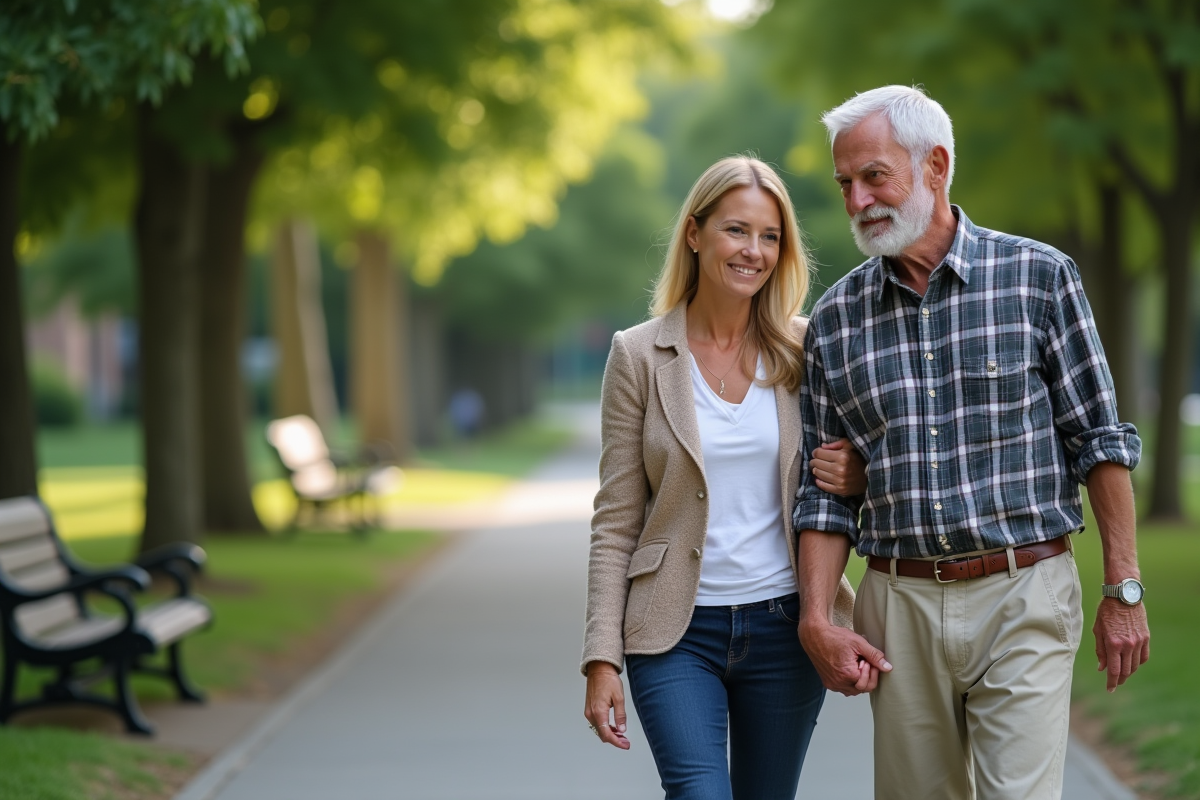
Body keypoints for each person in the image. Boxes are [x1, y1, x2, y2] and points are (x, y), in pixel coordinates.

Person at [792, 85, 1150, 800]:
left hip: (1024, 591)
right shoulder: (834, 321)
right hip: (898, 604)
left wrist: (1124, 590)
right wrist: (816, 619)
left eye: (874, 176)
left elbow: (1099, 441)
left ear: (935, 166)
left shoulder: (1039, 278)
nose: (857, 201)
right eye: (845, 184)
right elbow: (821, 495)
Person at [581, 155, 866, 800]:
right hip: (675, 632)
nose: (754, 251)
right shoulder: (638, 355)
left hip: (784, 625)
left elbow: (853, 475)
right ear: (695, 233)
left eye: (770, 237)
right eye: (736, 230)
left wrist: (858, 477)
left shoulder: (806, 349)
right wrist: (601, 658)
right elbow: (616, 517)